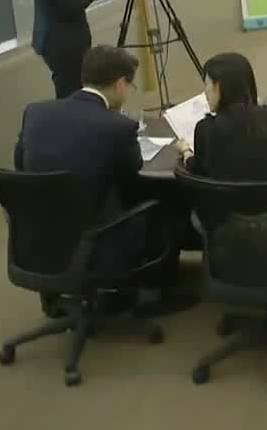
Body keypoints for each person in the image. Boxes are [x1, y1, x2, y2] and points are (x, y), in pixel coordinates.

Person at [14, 45, 169, 317]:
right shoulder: (118, 127)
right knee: (165, 204)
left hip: (36, 239)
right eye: (129, 86)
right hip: (95, 241)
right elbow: (132, 179)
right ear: (120, 84)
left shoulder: (35, 112)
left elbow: (20, 164)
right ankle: (150, 293)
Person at [174, 53, 267, 253]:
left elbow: (200, 173)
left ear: (218, 87)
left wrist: (186, 152)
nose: (205, 93)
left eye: (207, 85)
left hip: (228, 240)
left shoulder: (206, 129)